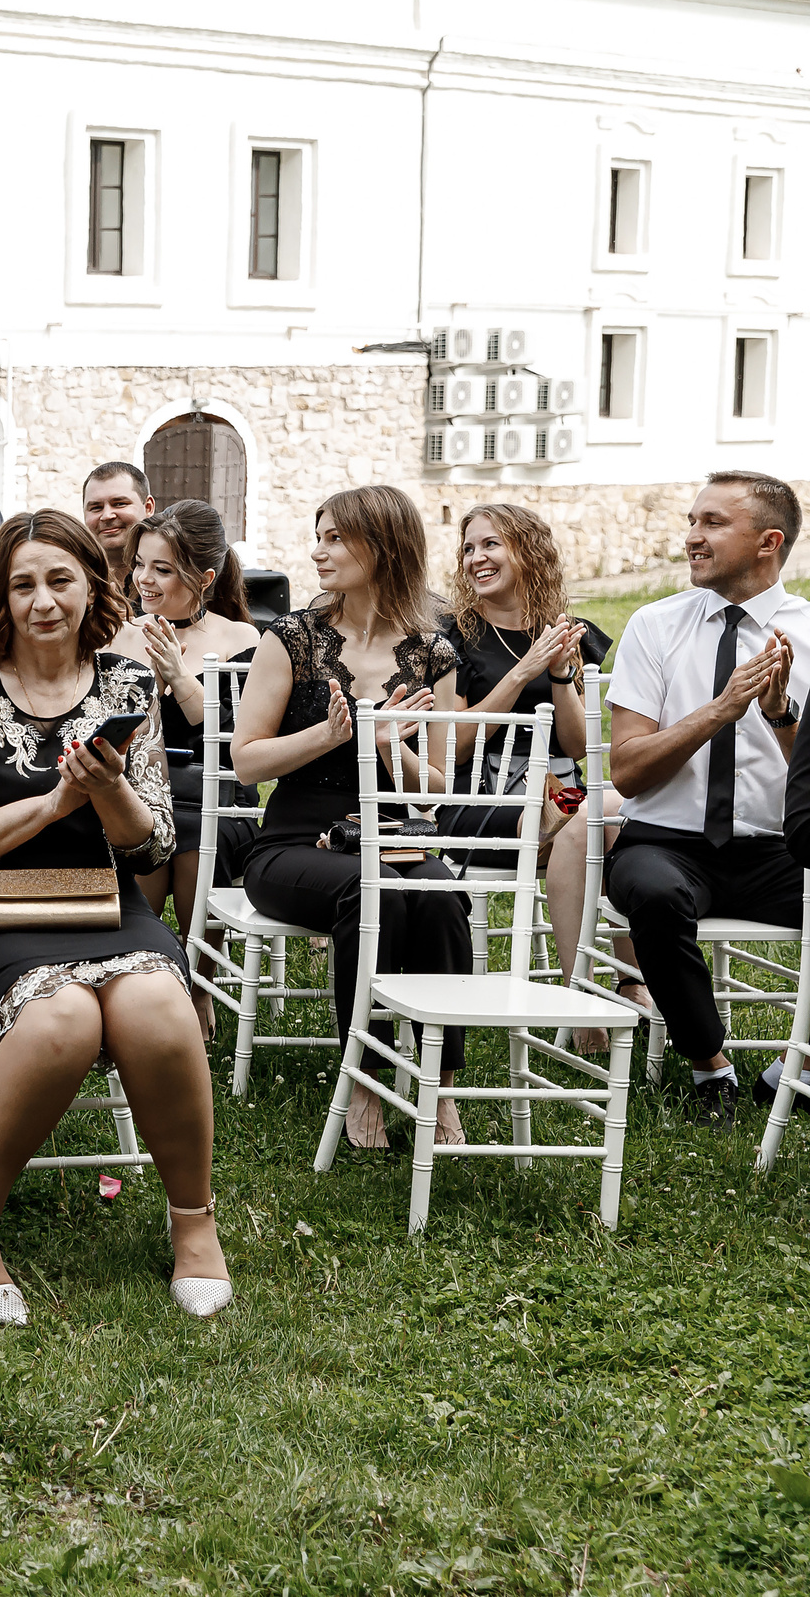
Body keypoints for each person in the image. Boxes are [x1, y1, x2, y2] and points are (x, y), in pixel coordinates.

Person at [0, 510, 227, 1325]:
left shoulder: (126, 686)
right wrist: (52, 803)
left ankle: (194, 1220)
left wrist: (108, 785)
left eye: (60, 580)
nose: (43, 601)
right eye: (22, 584)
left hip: (103, 902)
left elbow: (153, 841)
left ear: (93, 585)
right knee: (61, 1021)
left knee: (160, 1004)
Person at [233, 484, 468, 1149]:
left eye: (336, 537)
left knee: (439, 888)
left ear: (383, 546)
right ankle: (363, 1085)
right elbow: (248, 762)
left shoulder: (431, 652)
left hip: (390, 837)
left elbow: (437, 788)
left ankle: (439, 1087)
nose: (318, 551)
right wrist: (335, 737)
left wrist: (391, 749)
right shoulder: (292, 639)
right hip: (289, 844)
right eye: (320, 535)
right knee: (372, 891)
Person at [613, 474, 810, 1125]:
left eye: (713, 522)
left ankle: (792, 1069)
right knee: (653, 890)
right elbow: (629, 772)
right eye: (691, 519)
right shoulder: (655, 623)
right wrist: (721, 710)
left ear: (767, 541)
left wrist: (781, 715)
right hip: (668, 846)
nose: (692, 535)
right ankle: (711, 1069)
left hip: (779, 849)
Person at [441, 503, 613, 1042]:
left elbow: (579, 746)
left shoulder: (570, 635)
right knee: (584, 824)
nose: (476, 558)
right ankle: (578, 990)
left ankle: (628, 986)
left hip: (562, 789)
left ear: (527, 551)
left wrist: (561, 674)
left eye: (491, 544)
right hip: (479, 800)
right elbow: (454, 744)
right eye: (469, 547)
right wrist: (522, 672)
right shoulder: (453, 636)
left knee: (623, 819)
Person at [109, 499, 263, 1032]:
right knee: (152, 826)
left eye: (162, 569)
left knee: (196, 832)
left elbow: (240, 743)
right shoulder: (121, 638)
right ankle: (154, 972)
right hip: (145, 795)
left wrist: (177, 674)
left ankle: (195, 980)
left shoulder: (242, 639)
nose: (143, 580)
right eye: (140, 565)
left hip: (220, 798)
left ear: (204, 577)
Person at [81, 462, 155, 598]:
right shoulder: (74, 578)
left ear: (148, 507)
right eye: (96, 507)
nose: (107, 516)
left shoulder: (179, 574)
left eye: (119, 504)